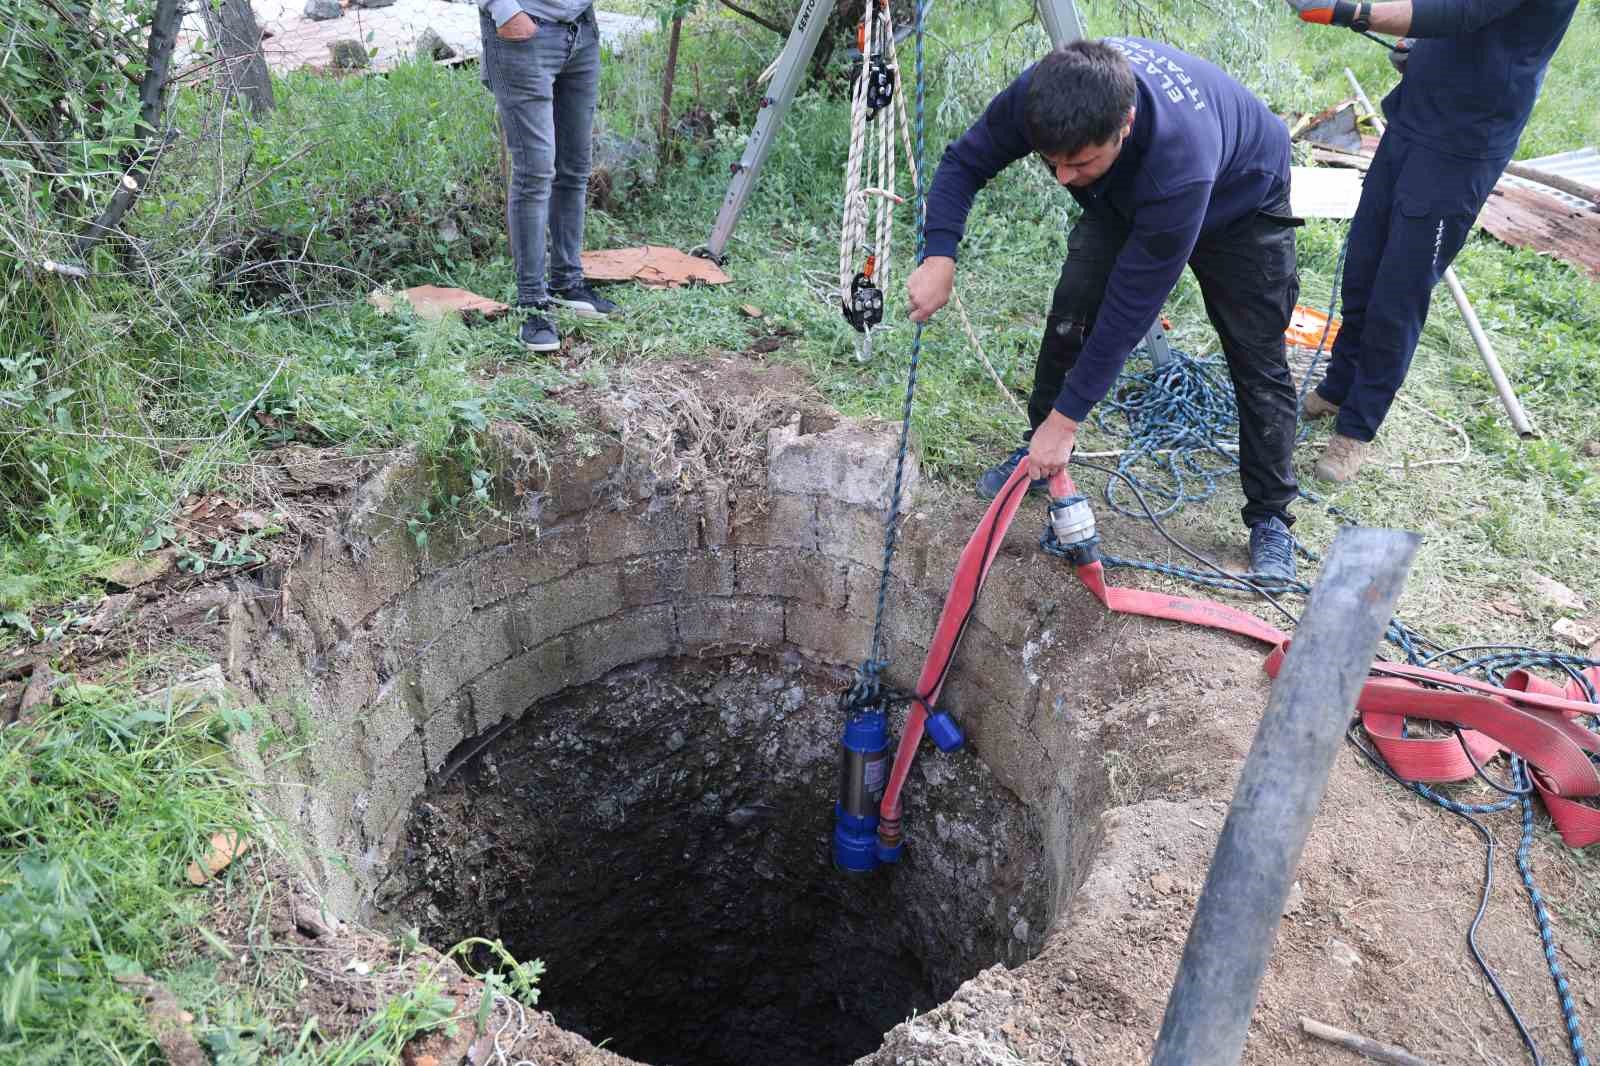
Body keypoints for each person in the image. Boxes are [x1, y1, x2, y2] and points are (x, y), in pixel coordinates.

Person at [907, 38, 1302, 578]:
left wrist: (1069, 423)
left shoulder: (1178, 162)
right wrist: (939, 255)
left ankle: (1271, 517)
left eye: (1079, 162)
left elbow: (1127, 314)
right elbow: (963, 163)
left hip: (1242, 200)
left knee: (1256, 356)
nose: (1064, 177)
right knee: (1074, 309)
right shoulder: (1043, 95)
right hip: (1130, 190)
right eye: (1052, 162)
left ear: (1126, 124)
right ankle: (1037, 452)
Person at [1285, 0, 1577, 481]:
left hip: (1462, 144)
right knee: (1363, 267)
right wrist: (1421, 48)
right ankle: (1338, 386)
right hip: (1414, 117)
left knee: (1398, 293)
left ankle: (1357, 430)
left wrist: (1351, 9)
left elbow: (1461, 12)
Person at [478, 0, 618, 352]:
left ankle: (567, 282)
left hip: (580, 30)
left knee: (574, 166)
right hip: (525, 33)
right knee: (535, 171)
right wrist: (503, 8)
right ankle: (531, 302)